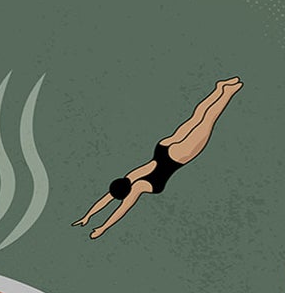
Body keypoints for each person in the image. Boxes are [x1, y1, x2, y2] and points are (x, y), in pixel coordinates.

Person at [73, 78, 242, 239]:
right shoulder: (129, 177)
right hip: (162, 149)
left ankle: (228, 92)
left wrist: (102, 228)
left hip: (178, 157)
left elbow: (122, 210)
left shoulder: (138, 186)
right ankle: (219, 88)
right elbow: (106, 198)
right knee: (195, 118)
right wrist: (87, 216)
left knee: (207, 122)